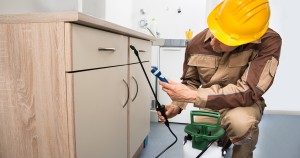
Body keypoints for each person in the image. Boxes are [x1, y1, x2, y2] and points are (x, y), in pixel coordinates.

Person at [157, 0, 282, 157]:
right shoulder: (196, 43)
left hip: (244, 104)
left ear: (244, 39)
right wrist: (176, 106)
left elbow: (250, 90)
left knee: (240, 124)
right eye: (215, 32)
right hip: (210, 104)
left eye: (224, 40)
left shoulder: (268, 42)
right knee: (200, 136)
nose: (213, 42)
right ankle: (224, 139)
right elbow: (191, 82)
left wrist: (195, 96)